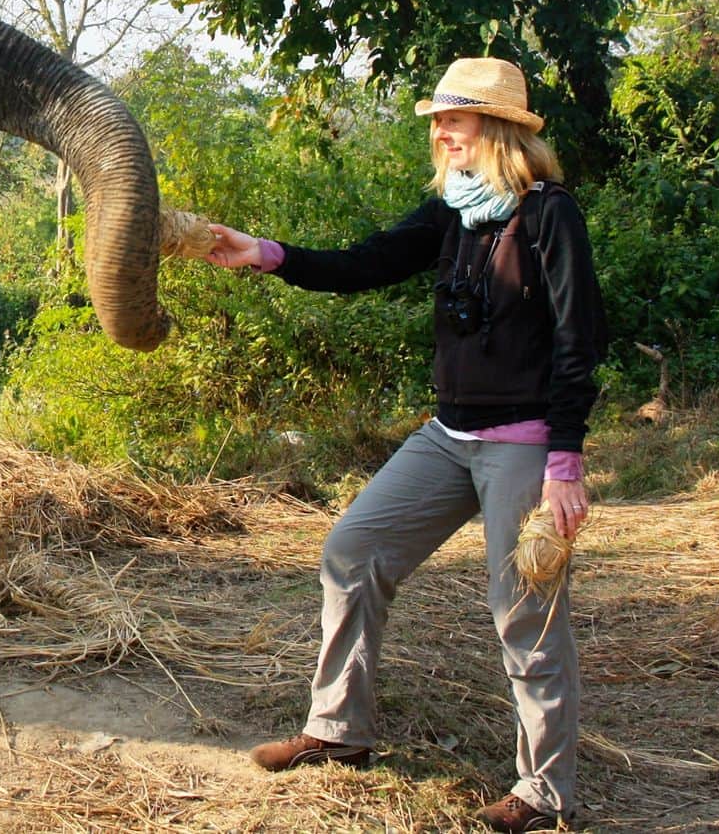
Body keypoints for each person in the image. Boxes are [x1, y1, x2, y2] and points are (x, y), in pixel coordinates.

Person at [206, 57, 605, 833]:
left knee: (523, 609)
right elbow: (368, 261)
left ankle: (545, 792)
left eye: (453, 118)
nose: (440, 130)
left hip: (524, 444)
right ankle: (338, 731)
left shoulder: (551, 213)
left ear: (497, 128)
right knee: (352, 551)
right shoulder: (452, 211)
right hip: (448, 435)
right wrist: (268, 253)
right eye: (438, 119)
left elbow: (578, 338)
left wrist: (565, 461)